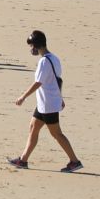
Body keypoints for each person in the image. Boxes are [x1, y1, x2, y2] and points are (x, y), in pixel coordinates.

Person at [7, 30, 83, 173]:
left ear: (36, 46)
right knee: (33, 127)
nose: (31, 50)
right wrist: (61, 98)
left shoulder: (44, 61)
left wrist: (23, 96)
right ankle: (23, 160)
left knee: (56, 134)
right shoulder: (54, 58)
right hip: (46, 103)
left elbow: (38, 83)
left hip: (48, 104)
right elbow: (57, 80)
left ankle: (75, 161)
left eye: (31, 46)